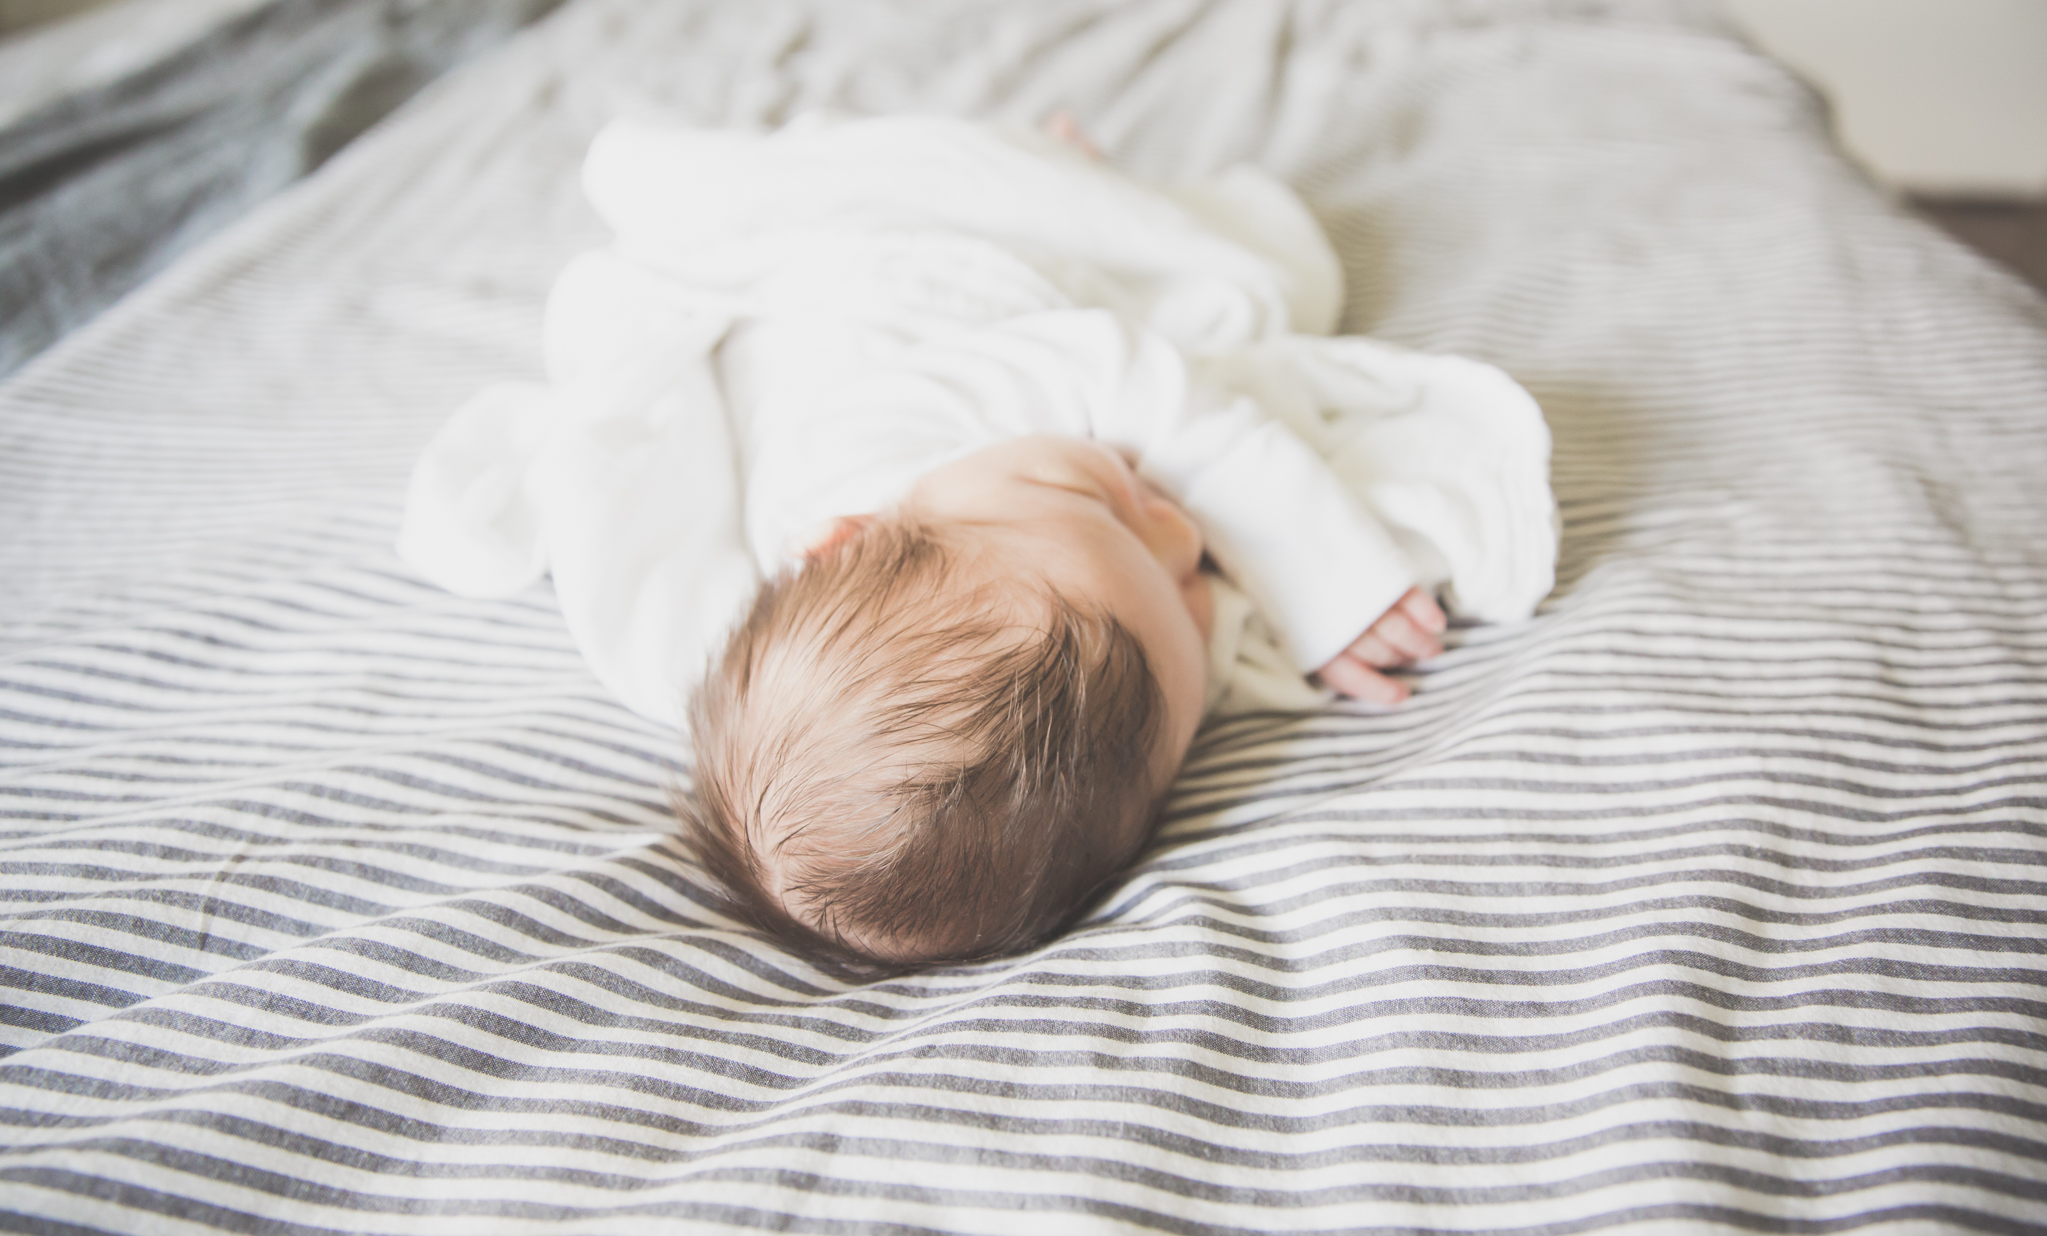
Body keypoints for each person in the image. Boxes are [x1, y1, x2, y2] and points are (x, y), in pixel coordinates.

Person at [399, 111, 1556, 971]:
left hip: (894, 273)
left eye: (1106, 507)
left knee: (1168, 249)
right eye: (1190, 596)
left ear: (843, 537)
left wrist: (1317, 568)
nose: (1176, 520)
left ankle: (1039, 165)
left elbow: (1116, 359)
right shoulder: (920, 618)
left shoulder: (885, 436)